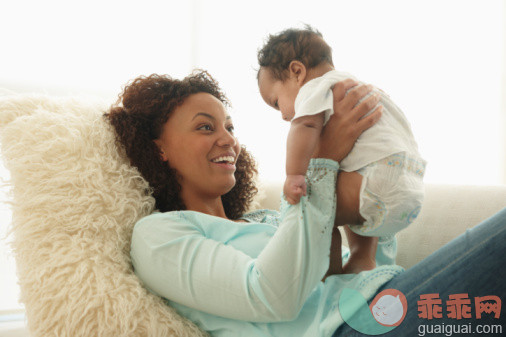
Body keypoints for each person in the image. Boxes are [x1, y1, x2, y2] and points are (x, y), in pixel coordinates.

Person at [105, 71, 506, 337]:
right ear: (157, 149)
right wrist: (322, 164)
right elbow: (270, 296)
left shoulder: (267, 219)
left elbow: (354, 273)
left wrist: (354, 183)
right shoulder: (159, 234)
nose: (228, 139)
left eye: (230, 126)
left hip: (378, 305)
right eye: (205, 127)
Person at [257, 26, 427, 275]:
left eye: (276, 102)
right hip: (409, 186)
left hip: (374, 183)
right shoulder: (363, 87)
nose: (283, 115)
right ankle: (362, 259)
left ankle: (331, 276)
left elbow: (304, 125)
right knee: (341, 175)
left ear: (297, 72)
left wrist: (294, 174)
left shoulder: (314, 89)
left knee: (314, 208)